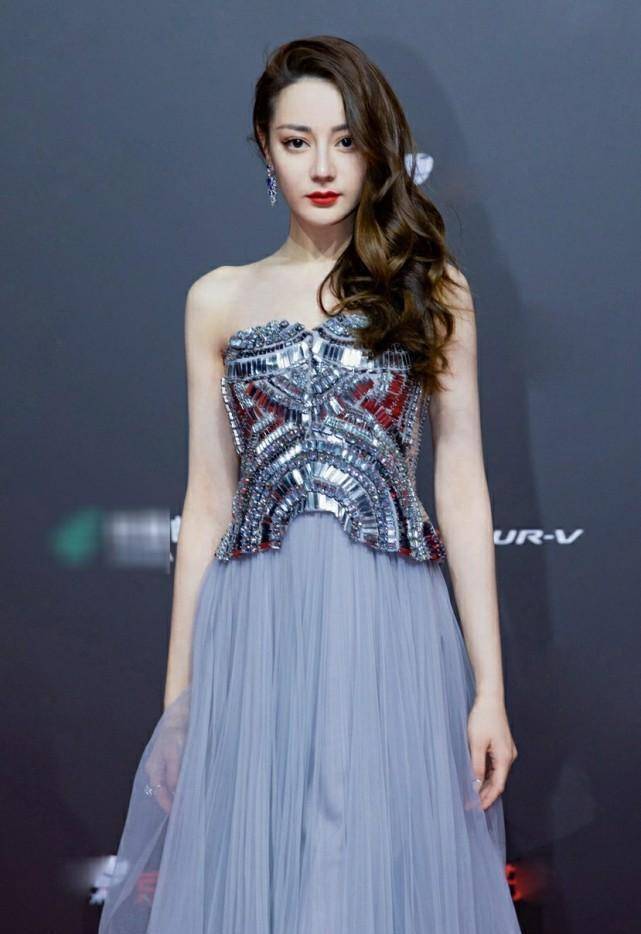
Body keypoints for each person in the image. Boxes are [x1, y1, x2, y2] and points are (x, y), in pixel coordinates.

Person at [98, 34, 521, 934]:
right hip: (258, 621)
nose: (322, 167)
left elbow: (461, 485)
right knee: (267, 867)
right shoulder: (217, 298)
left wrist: (488, 689)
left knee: (363, 859)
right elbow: (207, 502)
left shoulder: (431, 289)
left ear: (375, 149)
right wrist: (179, 704)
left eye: (345, 140)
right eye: (297, 142)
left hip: (391, 621)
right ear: (265, 147)